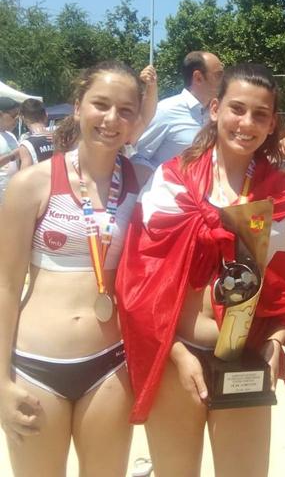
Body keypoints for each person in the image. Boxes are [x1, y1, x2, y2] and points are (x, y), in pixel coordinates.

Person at [116, 63, 285, 477]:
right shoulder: (172, 181)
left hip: (246, 360)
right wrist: (176, 354)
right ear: (215, 108)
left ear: (273, 122)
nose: (246, 123)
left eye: (260, 114)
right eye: (237, 109)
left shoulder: (282, 192)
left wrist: (275, 340)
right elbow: (139, 279)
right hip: (177, 354)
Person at [0, 60, 158, 476]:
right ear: (77, 107)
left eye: (126, 110)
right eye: (100, 105)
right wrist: (0, 383)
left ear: (137, 119)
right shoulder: (31, 183)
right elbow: (4, 284)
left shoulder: (147, 183)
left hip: (111, 364)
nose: (111, 119)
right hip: (36, 365)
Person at [131, 51, 223, 184]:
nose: (224, 80)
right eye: (218, 75)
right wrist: (166, 184)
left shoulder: (216, 114)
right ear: (198, 77)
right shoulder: (165, 111)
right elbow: (138, 156)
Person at [18, 98, 54, 168]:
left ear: (23, 118)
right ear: (46, 115)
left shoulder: (27, 145)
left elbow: (24, 177)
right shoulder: (59, 138)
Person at [0, 97, 21, 204]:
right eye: (14, 116)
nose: (17, 120)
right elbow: (14, 155)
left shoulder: (11, 135)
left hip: (11, 193)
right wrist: (12, 156)